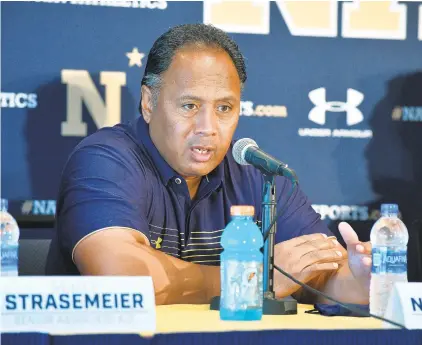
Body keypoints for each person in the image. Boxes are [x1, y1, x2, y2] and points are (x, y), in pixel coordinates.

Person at [46, 24, 371, 306]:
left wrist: (362, 280)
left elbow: (321, 277)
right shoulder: (105, 159)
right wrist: (252, 281)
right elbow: (119, 277)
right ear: (148, 102)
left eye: (225, 108)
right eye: (189, 105)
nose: (208, 127)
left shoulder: (260, 176)